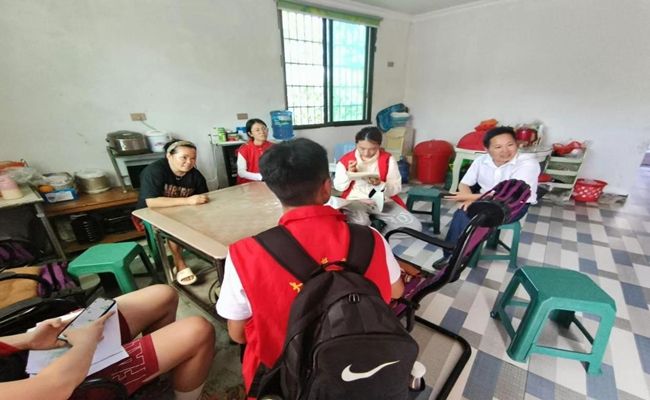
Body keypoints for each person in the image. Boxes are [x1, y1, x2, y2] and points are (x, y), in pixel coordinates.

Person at [216, 138, 404, 393]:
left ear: (272, 189)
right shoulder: (371, 238)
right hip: (363, 365)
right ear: (326, 187)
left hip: (284, 379)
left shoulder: (244, 254)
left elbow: (237, 335)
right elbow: (395, 292)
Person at [0, 285, 215, 400]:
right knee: (198, 330)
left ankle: (155, 376)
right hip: (58, 385)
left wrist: (27, 340)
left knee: (163, 294)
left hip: (28, 358)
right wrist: (86, 342)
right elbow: (53, 388)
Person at [444, 126, 540, 244]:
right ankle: (455, 251)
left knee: (473, 215)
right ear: (487, 149)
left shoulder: (527, 164)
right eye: (498, 147)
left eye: (510, 145)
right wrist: (468, 199)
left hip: (514, 205)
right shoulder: (481, 160)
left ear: (517, 144)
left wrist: (470, 198)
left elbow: (509, 196)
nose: (505, 151)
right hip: (485, 200)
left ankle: (459, 252)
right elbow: (464, 183)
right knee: (463, 211)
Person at [137, 140, 209, 285]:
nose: (189, 162)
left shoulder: (195, 175)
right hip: (152, 212)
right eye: (184, 157)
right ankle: (179, 263)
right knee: (175, 227)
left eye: (193, 158)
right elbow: (151, 202)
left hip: (183, 210)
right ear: (169, 156)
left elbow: (204, 196)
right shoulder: (154, 171)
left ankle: (208, 255)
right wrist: (188, 201)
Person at [332, 126, 422, 233]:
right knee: (360, 225)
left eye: (372, 149)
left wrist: (381, 184)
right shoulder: (345, 161)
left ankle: (381, 236)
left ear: (379, 145)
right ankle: (373, 234)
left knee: (413, 227)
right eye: (362, 148)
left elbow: (396, 188)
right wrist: (349, 174)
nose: (366, 153)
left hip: (382, 201)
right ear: (356, 144)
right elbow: (339, 187)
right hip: (355, 201)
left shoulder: (388, 159)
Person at [236, 118, 273, 184]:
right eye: (257, 130)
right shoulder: (244, 149)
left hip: (268, 183)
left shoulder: (273, 147)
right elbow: (241, 172)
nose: (262, 132)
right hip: (248, 184)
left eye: (264, 128)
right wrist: (260, 177)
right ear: (250, 134)